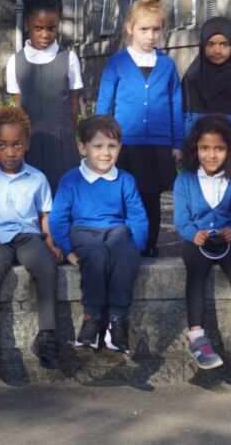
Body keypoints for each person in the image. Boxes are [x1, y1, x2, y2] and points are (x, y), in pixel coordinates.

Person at [0, 106, 62, 372]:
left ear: (27, 144)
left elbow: (44, 216)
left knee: (45, 265)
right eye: (2, 145)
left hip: (28, 237)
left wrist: (50, 242)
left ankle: (48, 336)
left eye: (17, 144)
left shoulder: (37, 178)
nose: (10, 152)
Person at [49, 115, 149, 353]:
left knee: (122, 249)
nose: (106, 153)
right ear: (83, 147)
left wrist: (136, 247)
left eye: (112, 146)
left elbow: (137, 216)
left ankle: (117, 319)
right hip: (83, 232)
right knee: (96, 254)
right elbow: (58, 218)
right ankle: (91, 318)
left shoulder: (125, 180)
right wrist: (68, 251)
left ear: (120, 147)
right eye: (98, 146)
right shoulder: (71, 180)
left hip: (115, 230)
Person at [95, 0, 184, 257]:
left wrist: (177, 141)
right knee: (124, 193)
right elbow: (104, 104)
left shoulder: (167, 65)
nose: (150, 35)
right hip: (126, 143)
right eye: (144, 29)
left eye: (156, 29)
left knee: (151, 197)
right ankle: (122, 240)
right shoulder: (118, 63)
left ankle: (149, 244)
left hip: (157, 143)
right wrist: (99, 142)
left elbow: (176, 104)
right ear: (130, 28)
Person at [174, 115, 231, 370]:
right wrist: (191, 234)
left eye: (219, 148)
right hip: (198, 241)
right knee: (195, 271)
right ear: (195, 149)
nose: (211, 155)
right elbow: (181, 219)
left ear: (230, 150)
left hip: (227, 241)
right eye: (204, 148)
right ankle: (197, 336)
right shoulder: (185, 180)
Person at [6, 0, 82, 192]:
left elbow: (73, 104)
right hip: (29, 143)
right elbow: (17, 107)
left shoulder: (68, 59)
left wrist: (67, 136)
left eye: (52, 28)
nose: (45, 34)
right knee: (30, 195)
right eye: (38, 28)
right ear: (27, 23)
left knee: (62, 196)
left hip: (62, 143)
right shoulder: (15, 62)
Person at [182, 16, 231, 139]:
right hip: (197, 147)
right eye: (210, 44)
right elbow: (185, 113)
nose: (217, 51)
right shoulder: (193, 76)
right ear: (202, 45)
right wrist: (194, 141)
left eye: (224, 44)